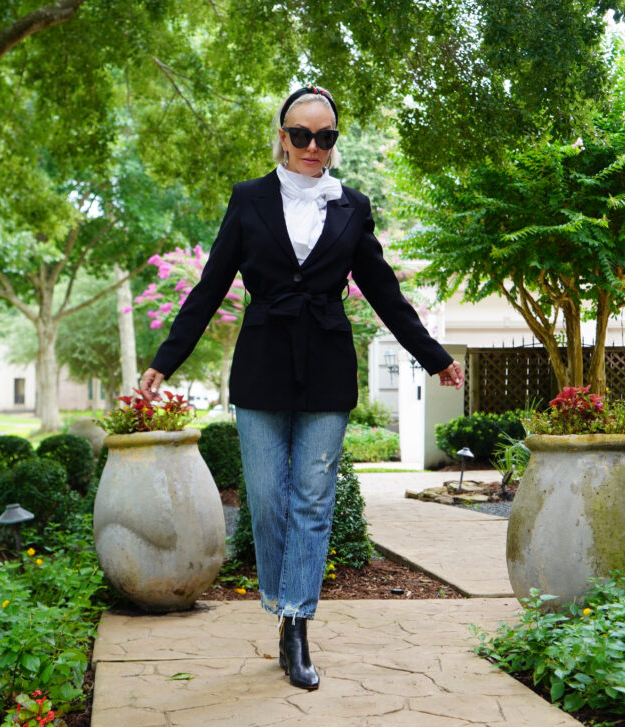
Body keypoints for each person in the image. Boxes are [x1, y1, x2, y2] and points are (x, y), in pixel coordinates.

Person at [139, 85, 463, 691]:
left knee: (313, 499)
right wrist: (166, 360)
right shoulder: (248, 200)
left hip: (327, 365)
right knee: (266, 500)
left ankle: (296, 624)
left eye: (326, 137)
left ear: (335, 143)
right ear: (282, 136)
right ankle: (282, 605)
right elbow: (209, 288)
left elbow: (384, 291)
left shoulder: (352, 206)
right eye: (302, 134)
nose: (314, 147)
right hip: (262, 363)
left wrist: (433, 356)